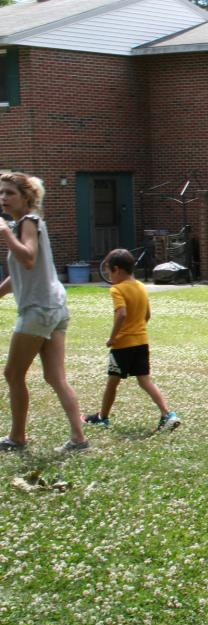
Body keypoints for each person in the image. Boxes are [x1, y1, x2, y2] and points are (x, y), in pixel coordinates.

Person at [0, 172, 89, 453]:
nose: (3, 198)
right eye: (1, 193)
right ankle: (79, 439)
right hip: (54, 307)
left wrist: (3, 233)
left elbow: (27, 258)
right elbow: (20, 274)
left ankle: (17, 438)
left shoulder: (28, 222)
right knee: (55, 377)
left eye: (9, 193)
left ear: (26, 197)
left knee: (13, 374)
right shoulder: (25, 224)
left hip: (39, 310)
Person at [84, 248, 179, 433]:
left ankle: (102, 417)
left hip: (123, 345)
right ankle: (167, 414)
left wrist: (113, 338)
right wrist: (138, 329)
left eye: (109, 271)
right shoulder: (141, 287)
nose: (109, 276)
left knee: (112, 383)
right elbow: (147, 315)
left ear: (117, 270)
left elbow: (121, 314)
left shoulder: (117, 289)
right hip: (142, 342)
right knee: (145, 381)